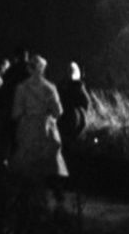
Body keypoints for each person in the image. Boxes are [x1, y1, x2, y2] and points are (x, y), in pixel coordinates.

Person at [10, 54, 68, 203]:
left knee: (26, 169)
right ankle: (57, 202)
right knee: (49, 166)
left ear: (29, 69)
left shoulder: (21, 88)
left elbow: (16, 113)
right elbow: (58, 111)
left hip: (27, 130)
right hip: (46, 130)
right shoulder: (50, 88)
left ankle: (25, 203)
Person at [57, 61, 90, 144]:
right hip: (72, 115)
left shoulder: (63, 86)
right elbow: (86, 102)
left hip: (67, 115)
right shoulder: (78, 86)